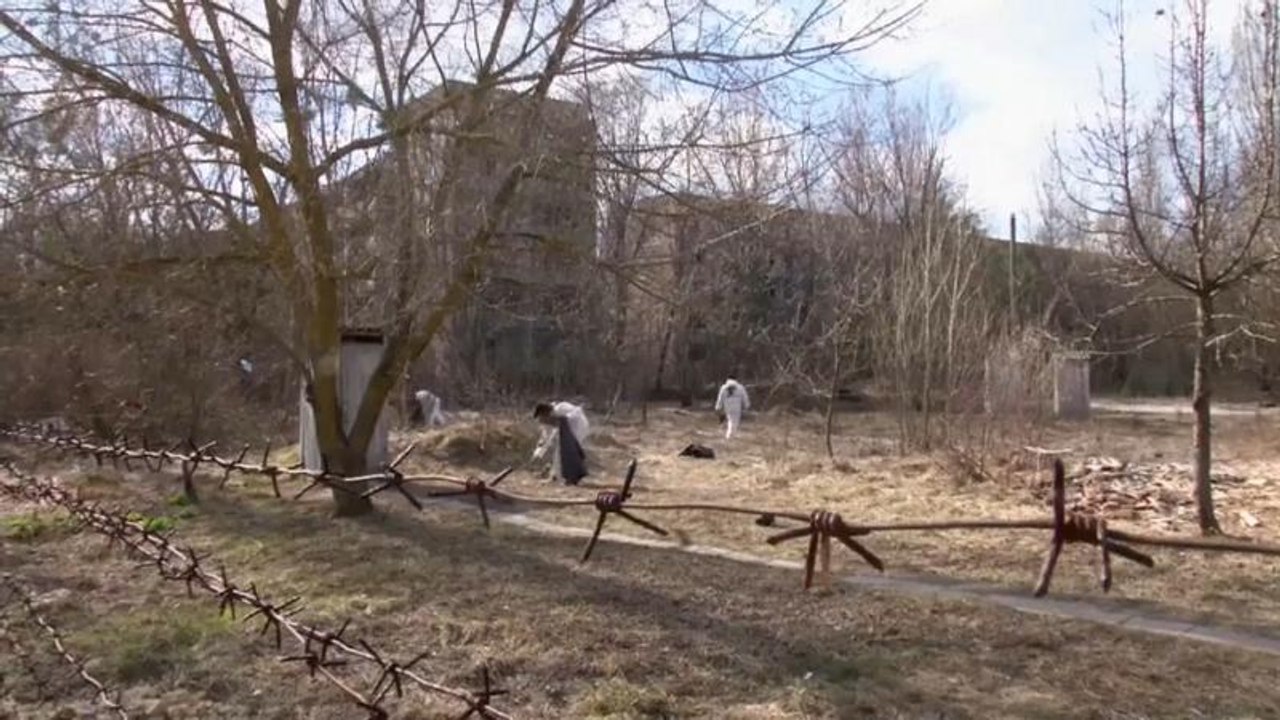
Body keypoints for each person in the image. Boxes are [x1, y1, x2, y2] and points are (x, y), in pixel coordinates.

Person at [531, 401, 590, 485]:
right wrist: (538, 453)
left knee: (567, 452)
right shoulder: (549, 421)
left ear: (546, 413)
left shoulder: (561, 408)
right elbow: (545, 438)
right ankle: (555, 476)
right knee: (558, 452)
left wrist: (563, 420)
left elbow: (576, 413)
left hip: (579, 427)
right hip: (568, 432)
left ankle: (570, 477)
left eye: (542, 417)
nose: (543, 421)